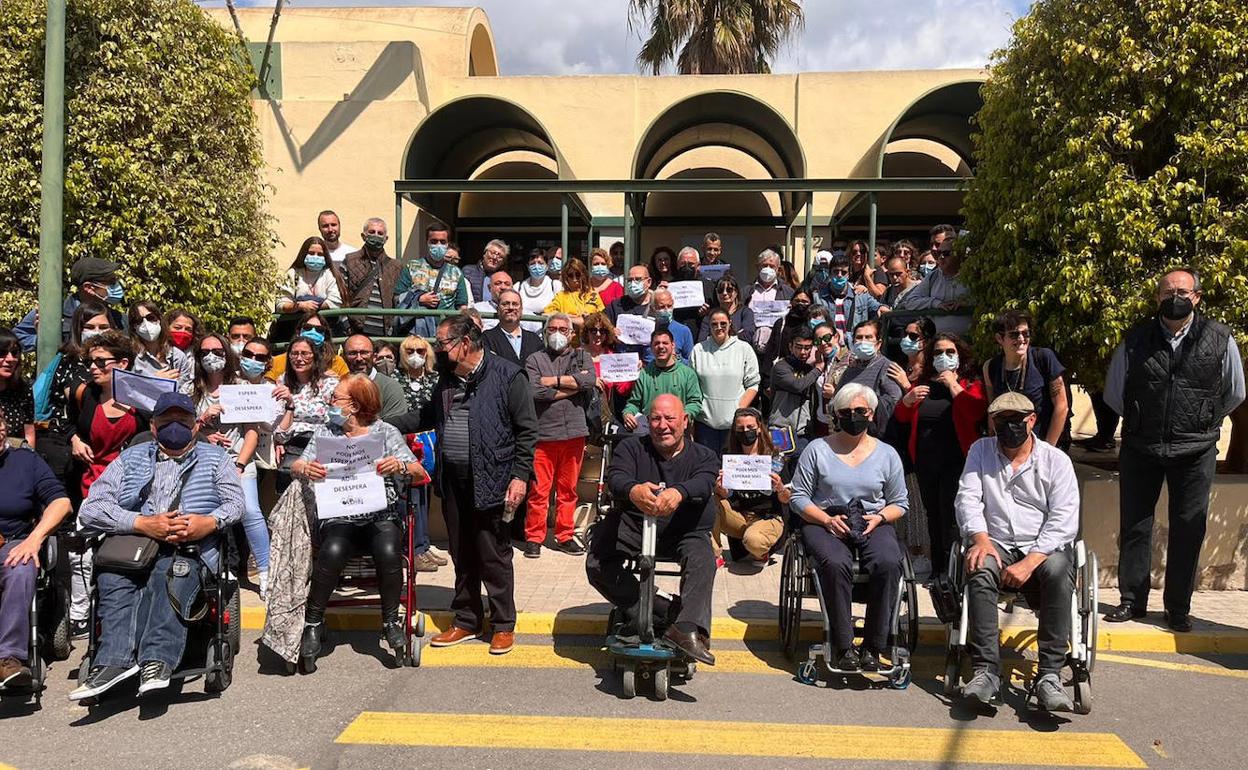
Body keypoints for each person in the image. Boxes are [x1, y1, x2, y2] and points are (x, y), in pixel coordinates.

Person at [70, 392, 244, 700]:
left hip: (188, 547)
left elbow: (235, 504)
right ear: (153, 426)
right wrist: (141, 523)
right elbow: (91, 508)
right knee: (113, 579)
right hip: (133, 546)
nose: (175, 426)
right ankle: (112, 662)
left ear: (195, 426)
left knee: (170, 574)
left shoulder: (216, 459)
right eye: (166, 421)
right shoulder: (130, 458)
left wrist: (208, 522)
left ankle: (156, 660)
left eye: (183, 420)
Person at [1102, 268, 1245, 631]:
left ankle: (1178, 608)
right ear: (1157, 299)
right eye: (1167, 292)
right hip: (1141, 445)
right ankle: (1131, 601)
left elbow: (1234, 392)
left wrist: (1203, 418)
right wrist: (1140, 419)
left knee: (1188, 527)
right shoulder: (1135, 340)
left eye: (1182, 291)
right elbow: (1115, 393)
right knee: (1135, 525)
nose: (1175, 297)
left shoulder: (1219, 338)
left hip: (1195, 450)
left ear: (1197, 297)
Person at [288, 375, 426, 670]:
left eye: (336, 398)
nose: (330, 403)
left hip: (380, 514)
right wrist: (305, 468)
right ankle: (312, 622)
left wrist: (399, 465)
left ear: (354, 405)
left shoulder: (385, 432)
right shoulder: (327, 432)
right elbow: (297, 464)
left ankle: (390, 621)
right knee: (333, 550)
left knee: (389, 549)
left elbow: (418, 471)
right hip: (339, 515)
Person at [955, 392, 1080, 712]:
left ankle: (1050, 675)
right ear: (993, 424)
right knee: (979, 567)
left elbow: (1064, 520)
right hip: (995, 541)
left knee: (1057, 571)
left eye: (1016, 421)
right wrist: (980, 539)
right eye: (1002, 422)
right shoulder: (980, 452)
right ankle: (985, 672)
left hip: (1041, 545)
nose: (1009, 427)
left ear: (1032, 421)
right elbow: (968, 498)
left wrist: (1030, 562)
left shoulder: (1056, 461)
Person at [426, 317, 537, 656]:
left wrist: (520, 476)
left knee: (493, 554)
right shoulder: (446, 380)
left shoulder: (508, 375)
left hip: (494, 479)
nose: (438, 350)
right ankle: (467, 619)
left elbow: (527, 432)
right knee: (461, 553)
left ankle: (503, 624)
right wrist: (379, 420)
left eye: (443, 343)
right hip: (454, 481)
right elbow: (427, 419)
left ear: (466, 341)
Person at [586, 394, 718, 665]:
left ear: (685, 421)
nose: (662, 425)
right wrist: (633, 490)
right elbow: (616, 477)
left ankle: (685, 629)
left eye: (670, 418)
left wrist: (679, 493)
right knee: (597, 561)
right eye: (656, 418)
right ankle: (671, 613)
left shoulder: (704, 455)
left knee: (704, 560)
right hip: (636, 524)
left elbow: (704, 482)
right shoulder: (631, 447)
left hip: (685, 530)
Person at [790, 383, 908, 671]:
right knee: (834, 562)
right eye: (846, 411)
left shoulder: (887, 454)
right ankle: (843, 645)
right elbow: (798, 497)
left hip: (871, 519)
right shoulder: (818, 449)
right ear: (835, 414)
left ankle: (873, 645)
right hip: (825, 518)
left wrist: (879, 518)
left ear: (871, 414)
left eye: (859, 411)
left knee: (889, 562)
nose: (853, 415)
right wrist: (826, 520)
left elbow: (900, 502)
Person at [893, 333, 988, 563]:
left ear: (959, 355)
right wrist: (907, 400)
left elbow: (975, 411)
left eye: (949, 352)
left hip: (956, 460)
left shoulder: (969, 384)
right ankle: (937, 567)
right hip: (926, 461)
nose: (943, 357)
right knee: (932, 514)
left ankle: (952, 566)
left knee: (951, 515)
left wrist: (953, 385)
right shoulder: (922, 384)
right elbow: (902, 417)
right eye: (937, 353)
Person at [190, 333, 269, 599]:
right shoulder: (191, 389)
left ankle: (266, 572)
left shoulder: (240, 386)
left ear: (227, 353)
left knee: (249, 510)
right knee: (205, 513)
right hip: (202, 461)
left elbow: (252, 433)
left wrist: (240, 463)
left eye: (218, 351)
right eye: (205, 352)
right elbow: (180, 432)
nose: (212, 356)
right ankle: (217, 568)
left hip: (238, 459)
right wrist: (202, 424)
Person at [0, 413, 72, 688]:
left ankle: (9, 659)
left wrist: (35, 538)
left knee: (21, 566)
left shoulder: (26, 461)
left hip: (12, 543)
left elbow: (61, 503)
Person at [522, 314, 596, 558]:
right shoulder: (535, 359)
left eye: (563, 329)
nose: (557, 333)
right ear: (545, 332)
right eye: (552, 328)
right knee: (539, 491)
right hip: (543, 435)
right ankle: (534, 537)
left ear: (571, 334)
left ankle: (564, 535)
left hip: (574, 433)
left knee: (568, 489)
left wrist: (553, 382)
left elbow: (588, 381)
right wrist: (571, 389)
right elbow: (535, 391)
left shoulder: (581, 355)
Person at [711, 408, 789, 566]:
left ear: (759, 428)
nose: (746, 432)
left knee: (753, 540)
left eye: (750, 428)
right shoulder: (729, 456)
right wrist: (721, 489)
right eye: (740, 428)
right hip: (739, 516)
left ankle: (761, 553)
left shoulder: (774, 456)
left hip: (768, 517)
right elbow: (726, 495)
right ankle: (715, 554)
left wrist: (779, 487)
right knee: (711, 500)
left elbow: (787, 498)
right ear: (734, 430)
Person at [983, 310, 1070, 449]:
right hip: (1008, 448)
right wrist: (994, 446)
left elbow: (1061, 406)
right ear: (1000, 338)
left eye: (1026, 333)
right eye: (1014, 334)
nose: (1021, 339)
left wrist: (1047, 450)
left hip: (1042, 443)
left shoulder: (1044, 358)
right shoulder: (991, 367)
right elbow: (993, 411)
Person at [13, 256, 126, 352]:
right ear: (89, 288)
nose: (116, 285)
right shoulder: (54, 314)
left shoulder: (121, 320)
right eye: (110, 282)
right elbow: (15, 339)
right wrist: (43, 341)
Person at [272, 337, 338, 495]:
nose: (299, 358)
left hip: (322, 445)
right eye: (294, 354)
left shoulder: (330, 384)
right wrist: (277, 442)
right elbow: (279, 429)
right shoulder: (282, 382)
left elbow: (335, 422)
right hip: (291, 443)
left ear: (315, 356)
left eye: (305, 354)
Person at [690, 309, 759, 453]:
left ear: (730, 324)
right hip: (705, 424)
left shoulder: (744, 349)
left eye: (723, 323)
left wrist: (738, 408)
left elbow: (753, 384)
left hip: (734, 425)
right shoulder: (698, 350)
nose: (719, 327)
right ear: (709, 325)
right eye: (714, 324)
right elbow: (692, 385)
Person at [394, 223, 470, 337]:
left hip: (445, 336)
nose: (438, 245)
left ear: (448, 244)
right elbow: (396, 298)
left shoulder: (456, 273)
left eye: (442, 242)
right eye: (434, 241)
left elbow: (462, 306)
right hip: (414, 335)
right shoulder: (412, 267)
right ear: (427, 243)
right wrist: (418, 299)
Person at [622, 329, 703, 432]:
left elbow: (695, 402)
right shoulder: (644, 375)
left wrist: (686, 415)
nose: (661, 347)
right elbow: (634, 403)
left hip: (678, 432)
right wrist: (628, 413)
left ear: (673, 345)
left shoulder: (688, 374)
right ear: (651, 347)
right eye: (656, 343)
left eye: (665, 343)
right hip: (650, 432)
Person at [894, 236, 971, 336]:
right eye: (939, 253)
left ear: (959, 255)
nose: (941, 257)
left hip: (970, 342)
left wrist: (967, 302)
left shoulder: (972, 276)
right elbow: (910, 302)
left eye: (946, 253)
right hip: (938, 341)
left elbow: (986, 301)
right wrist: (936, 303)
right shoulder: (933, 276)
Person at [342, 217, 403, 336]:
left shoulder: (396, 266)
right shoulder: (350, 261)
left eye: (380, 233)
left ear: (386, 239)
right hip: (357, 330)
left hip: (385, 333)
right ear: (363, 236)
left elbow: (399, 300)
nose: (376, 235)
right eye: (372, 232)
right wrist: (347, 326)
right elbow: (341, 296)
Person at [806, 252, 884, 336]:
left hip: (853, 345)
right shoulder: (817, 297)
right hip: (827, 344)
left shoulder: (860, 296)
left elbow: (880, 308)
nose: (839, 275)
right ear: (830, 273)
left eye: (843, 272)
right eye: (836, 272)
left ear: (849, 274)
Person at [768, 328, 824, 446]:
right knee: (779, 464)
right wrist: (818, 368)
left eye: (807, 348)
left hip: (804, 432)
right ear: (790, 346)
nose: (803, 352)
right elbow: (797, 386)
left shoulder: (809, 370)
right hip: (780, 430)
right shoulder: (781, 367)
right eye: (798, 347)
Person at [128, 300, 194, 395]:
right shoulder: (131, 356)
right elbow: (127, 391)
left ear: (159, 318)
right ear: (133, 327)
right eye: (138, 320)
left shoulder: (178, 356)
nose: (145, 324)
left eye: (150, 318)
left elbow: (185, 392)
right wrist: (154, 382)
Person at [581, 313, 635, 427]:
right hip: (579, 412)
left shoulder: (611, 357)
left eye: (603, 331)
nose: (598, 334)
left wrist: (633, 373)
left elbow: (622, 389)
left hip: (602, 415)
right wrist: (589, 380)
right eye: (593, 330)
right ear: (587, 332)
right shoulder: (577, 355)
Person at [266, 311, 350, 381]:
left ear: (325, 336)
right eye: (307, 327)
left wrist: (336, 381)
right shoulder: (278, 361)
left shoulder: (337, 362)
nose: (313, 332)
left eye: (319, 329)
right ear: (298, 332)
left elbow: (347, 388)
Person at [276, 236, 346, 318]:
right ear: (304, 254)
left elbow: (335, 301)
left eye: (320, 254)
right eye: (311, 253)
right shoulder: (293, 273)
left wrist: (314, 306)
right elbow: (281, 304)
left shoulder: (329, 274)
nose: (315, 257)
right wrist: (300, 306)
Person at [341, 335, 408, 421]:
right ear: (343, 357)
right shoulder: (336, 385)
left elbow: (394, 427)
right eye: (352, 353)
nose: (359, 358)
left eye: (364, 353)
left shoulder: (389, 387)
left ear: (374, 356)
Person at [759, 289, 814, 390]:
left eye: (804, 301)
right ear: (791, 302)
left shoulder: (813, 325)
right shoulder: (781, 324)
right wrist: (766, 382)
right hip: (782, 376)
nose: (800, 304)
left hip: (807, 376)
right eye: (797, 301)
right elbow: (770, 352)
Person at [744, 248, 795, 353]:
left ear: (778, 269)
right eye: (764, 265)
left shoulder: (789, 292)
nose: (768, 269)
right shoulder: (747, 291)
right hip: (749, 347)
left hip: (777, 348)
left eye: (772, 266)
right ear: (758, 267)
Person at [481, 289, 544, 366]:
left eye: (515, 304)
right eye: (505, 304)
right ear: (498, 309)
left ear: (521, 309)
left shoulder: (534, 339)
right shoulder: (487, 338)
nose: (510, 308)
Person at [544, 258, 605, 329]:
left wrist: (565, 318)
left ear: (583, 274)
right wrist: (568, 316)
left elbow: (597, 317)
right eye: (570, 275)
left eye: (577, 274)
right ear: (566, 277)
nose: (574, 279)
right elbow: (546, 314)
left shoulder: (592, 294)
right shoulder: (561, 296)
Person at [0, 330, 35, 448]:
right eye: (2, 353)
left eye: (14, 353)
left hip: (13, 457)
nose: (10, 359)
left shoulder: (23, 390)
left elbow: (29, 432)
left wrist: (30, 461)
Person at [698, 275, 756, 344]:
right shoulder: (710, 316)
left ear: (736, 292)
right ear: (716, 292)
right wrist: (737, 334)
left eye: (729, 290)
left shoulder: (746, 312)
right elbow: (702, 340)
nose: (724, 293)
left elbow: (747, 336)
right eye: (720, 290)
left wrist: (717, 337)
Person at [672, 247, 714, 341]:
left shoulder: (709, 286)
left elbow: (716, 312)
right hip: (675, 337)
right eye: (683, 264)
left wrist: (707, 313)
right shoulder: (670, 286)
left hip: (700, 336)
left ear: (698, 266)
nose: (687, 267)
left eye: (691, 264)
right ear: (677, 265)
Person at [648, 289, 695, 362]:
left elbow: (691, 362)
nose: (666, 310)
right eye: (662, 307)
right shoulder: (646, 329)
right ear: (652, 308)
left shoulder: (683, 331)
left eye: (669, 306)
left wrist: (677, 358)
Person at [519, 248, 561, 324]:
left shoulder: (555, 286)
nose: (537, 266)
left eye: (540, 263)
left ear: (547, 266)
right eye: (532, 263)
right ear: (528, 266)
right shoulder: (518, 287)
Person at [462, 239, 509, 304]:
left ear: (503, 262)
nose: (495, 257)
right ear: (484, 253)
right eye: (492, 253)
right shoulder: (468, 271)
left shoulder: (504, 278)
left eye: (500, 256)